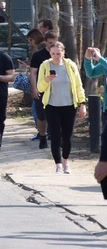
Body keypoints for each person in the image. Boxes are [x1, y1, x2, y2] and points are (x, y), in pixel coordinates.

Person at [37, 42, 87, 174]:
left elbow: (78, 85)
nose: (56, 56)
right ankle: (58, 164)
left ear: (63, 53)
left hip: (69, 106)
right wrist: (47, 80)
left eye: (58, 53)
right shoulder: (45, 66)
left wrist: (82, 104)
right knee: (55, 135)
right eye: (53, 54)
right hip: (52, 106)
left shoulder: (70, 66)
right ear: (50, 53)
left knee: (67, 136)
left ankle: (65, 161)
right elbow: (39, 88)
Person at [29, 31, 58, 148]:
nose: (52, 45)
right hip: (42, 89)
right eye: (50, 43)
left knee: (57, 115)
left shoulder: (61, 55)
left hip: (57, 90)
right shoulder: (38, 55)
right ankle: (42, 136)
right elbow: (33, 73)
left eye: (54, 42)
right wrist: (34, 88)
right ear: (45, 42)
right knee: (41, 116)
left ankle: (56, 137)